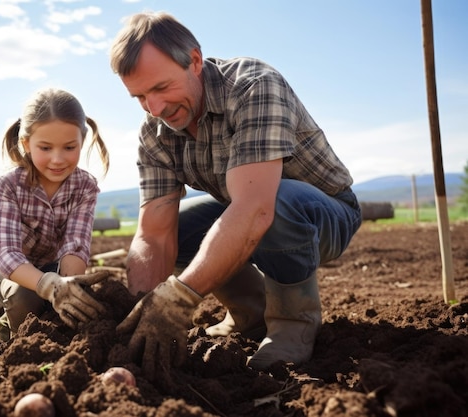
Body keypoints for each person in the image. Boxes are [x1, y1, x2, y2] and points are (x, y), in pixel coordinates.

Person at [109, 11, 362, 378]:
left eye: (162, 88)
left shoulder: (253, 87)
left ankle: (293, 322)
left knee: (273, 201)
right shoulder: (155, 133)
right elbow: (154, 234)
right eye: (140, 97)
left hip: (325, 214)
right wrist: (145, 310)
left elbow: (256, 209)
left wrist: (181, 297)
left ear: (194, 61)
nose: (156, 109)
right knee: (180, 229)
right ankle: (252, 314)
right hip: (248, 209)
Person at [0, 87, 111, 341]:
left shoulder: (85, 186)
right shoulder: (6, 186)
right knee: (25, 297)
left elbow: (76, 245)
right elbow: (7, 256)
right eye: (45, 148)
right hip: (8, 272)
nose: (57, 159)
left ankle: (64, 339)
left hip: (53, 265)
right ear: (26, 144)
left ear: (82, 143)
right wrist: (47, 286)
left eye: (69, 147)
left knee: (82, 298)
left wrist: (69, 284)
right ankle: (18, 341)